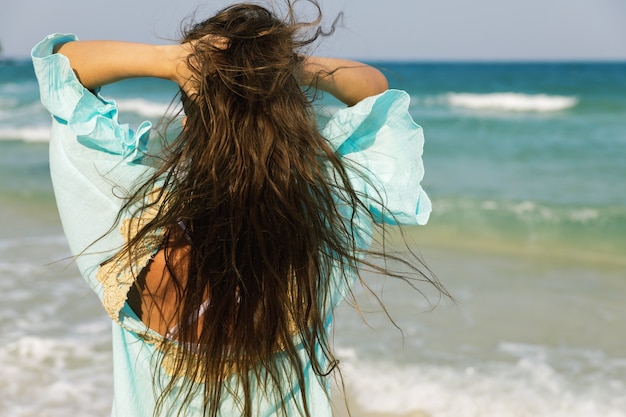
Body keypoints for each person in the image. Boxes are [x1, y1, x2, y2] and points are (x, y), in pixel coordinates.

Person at [32, 2, 439, 416]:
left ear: (188, 121)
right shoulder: (326, 220)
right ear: (294, 116)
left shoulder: (125, 223)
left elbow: (62, 71)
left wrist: (176, 61)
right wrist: (285, 66)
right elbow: (375, 93)